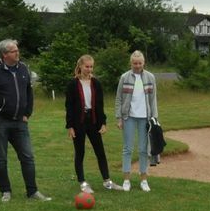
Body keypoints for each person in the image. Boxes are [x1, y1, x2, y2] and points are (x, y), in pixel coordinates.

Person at [0, 39, 51, 202]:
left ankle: (32, 191)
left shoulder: (24, 68)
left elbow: (28, 92)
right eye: (14, 51)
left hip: (19, 122)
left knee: (27, 157)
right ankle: (5, 191)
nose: (17, 53)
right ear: (4, 54)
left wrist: (27, 113)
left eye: (17, 50)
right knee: (1, 159)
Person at [65, 54, 115, 194]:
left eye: (91, 66)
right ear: (80, 66)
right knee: (80, 152)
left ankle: (107, 181)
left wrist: (103, 123)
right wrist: (70, 126)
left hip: (93, 121)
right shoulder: (73, 84)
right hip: (78, 122)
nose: (89, 69)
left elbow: (100, 105)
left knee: (100, 151)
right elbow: (69, 106)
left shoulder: (96, 83)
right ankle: (83, 182)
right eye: (86, 66)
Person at [114, 50, 158, 192]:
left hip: (145, 118)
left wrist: (154, 118)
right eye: (135, 63)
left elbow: (153, 100)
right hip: (129, 117)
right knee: (128, 148)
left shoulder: (150, 77)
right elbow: (119, 99)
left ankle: (143, 180)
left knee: (144, 149)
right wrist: (119, 118)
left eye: (140, 63)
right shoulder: (124, 77)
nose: (137, 66)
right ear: (131, 63)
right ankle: (126, 179)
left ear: (143, 63)